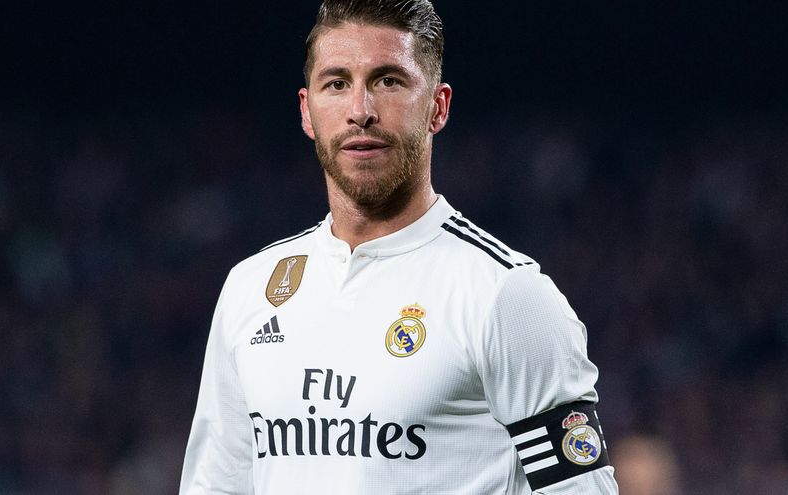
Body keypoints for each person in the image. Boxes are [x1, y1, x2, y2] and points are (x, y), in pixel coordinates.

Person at [179, 0, 618, 493]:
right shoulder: (251, 287)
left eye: (388, 81)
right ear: (306, 111)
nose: (360, 111)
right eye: (337, 83)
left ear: (437, 107)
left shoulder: (506, 295)